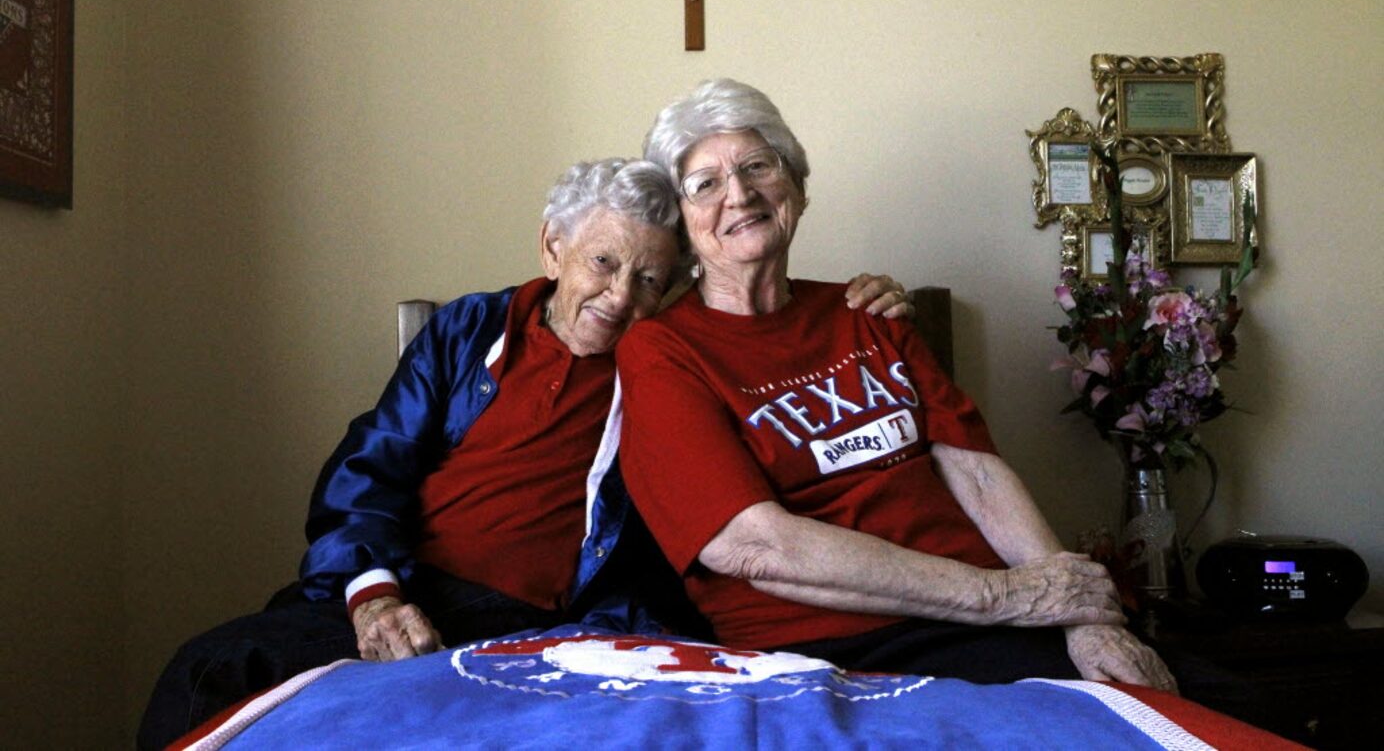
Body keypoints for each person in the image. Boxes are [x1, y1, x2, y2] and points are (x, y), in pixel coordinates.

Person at [139, 156, 912, 749]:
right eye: (603, 264)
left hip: (562, 617)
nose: (621, 298)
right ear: (553, 248)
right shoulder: (467, 331)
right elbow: (366, 474)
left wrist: (862, 309)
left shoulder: (675, 360)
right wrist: (375, 597)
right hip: (412, 591)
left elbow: (773, 340)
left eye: (650, 279)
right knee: (213, 668)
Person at [617, 79, 1179, 691]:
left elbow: (979, 474)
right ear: (682, 224)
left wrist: (1082, 619)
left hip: (993, 617)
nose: (740, 194)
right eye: (706, 184)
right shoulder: (662, 351)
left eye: (758, 166)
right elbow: (754, 546)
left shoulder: (867, 311)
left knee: (1218, 709)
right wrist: (1004, 595)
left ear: (797, 187)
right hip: (845, 639)